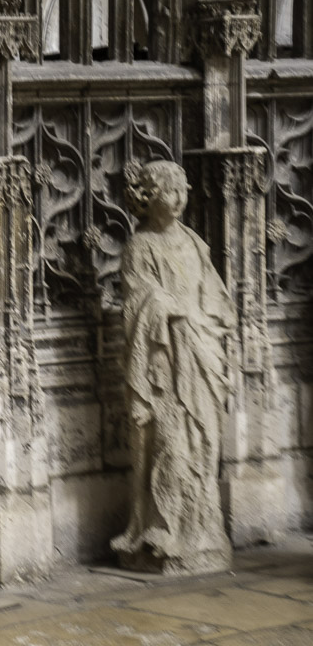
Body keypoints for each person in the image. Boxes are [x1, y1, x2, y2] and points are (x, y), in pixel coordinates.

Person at [114, 160, 235, 574]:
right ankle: (161, 530)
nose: (179, 198)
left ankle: (202, 533)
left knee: (203, 445)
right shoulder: (140, 247)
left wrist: (205, 323)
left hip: (199, 355)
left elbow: (215, 294)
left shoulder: (194, 243)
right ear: (147, 199)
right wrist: (166, 309)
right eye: (169, 191)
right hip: (163, 361)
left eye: (182, 189)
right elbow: (135, 301)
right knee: (170, 446)